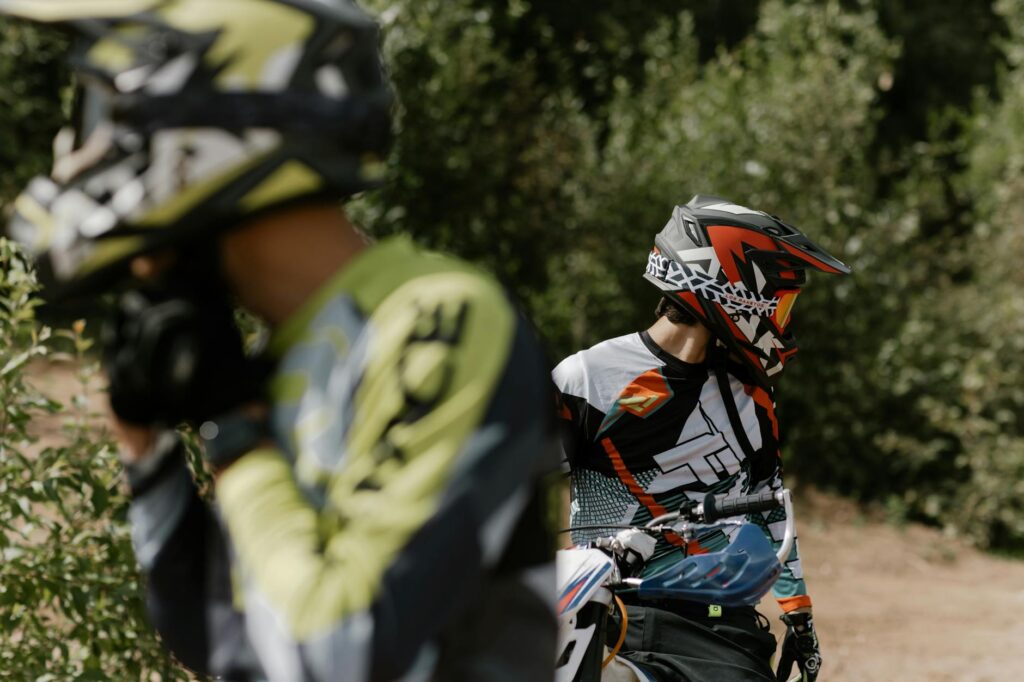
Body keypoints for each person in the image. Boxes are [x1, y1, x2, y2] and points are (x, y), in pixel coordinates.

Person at [1, 1, 558, 680]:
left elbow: (341, 659)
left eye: (101, 115)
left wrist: (238, 440)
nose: (74, 150)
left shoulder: (439, 321)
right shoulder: (286, 353)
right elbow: (226, 644)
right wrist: (146, 453)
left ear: (204, 130)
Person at [553, 195, 850, 681]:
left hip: (723, 629)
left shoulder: (750, 398)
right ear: (732, 289)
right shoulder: (590, 378)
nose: (784, 318)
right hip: (616, 614)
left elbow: (771, 509)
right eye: (781, 300)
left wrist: (798, 616)